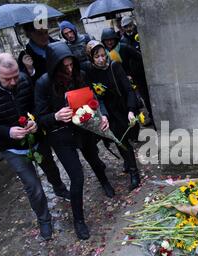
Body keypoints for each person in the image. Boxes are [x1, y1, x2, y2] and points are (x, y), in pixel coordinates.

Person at [34, 42, 116, 240]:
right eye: (65, 67)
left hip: (84, 128)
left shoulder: (81, 75)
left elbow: (93, 97)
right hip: (60, 136)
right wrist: (55, 116)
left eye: (72, 65)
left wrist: (101, 114)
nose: (69, 70)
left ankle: (104, 181)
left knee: (95, 160)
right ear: (55, 66)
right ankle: (78, 220)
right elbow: (40, 118)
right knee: (77, 177)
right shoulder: (43, 83)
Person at [0, 53, 53, 240]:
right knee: (34, 187)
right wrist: (7, 132)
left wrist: (35, 121)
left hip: (36, 138)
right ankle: (44, 219)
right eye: (8, 79)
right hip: (11, 148)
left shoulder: (23, 79)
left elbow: (36, 105)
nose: (14, 82)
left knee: (51, 168)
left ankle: (60, 188)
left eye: (16, 76)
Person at [16, 23, 70, 200]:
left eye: (46, 32)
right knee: (46, 154)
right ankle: (58, 185)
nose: (45, 36)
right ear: (30, 35)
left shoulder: (54, 46)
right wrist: (30, 70)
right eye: (40, 34)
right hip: (41, 109)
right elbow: (23, 86)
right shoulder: (25, 57)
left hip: (61, 99)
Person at [85, 40, 141, 191]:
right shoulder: (90, 72)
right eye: (97, 57)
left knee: (124, 141)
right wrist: (102, 114)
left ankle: (134, 172)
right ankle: (129, 163)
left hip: (122, 108)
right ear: (91, 58)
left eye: (103, 55)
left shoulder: (115, 66)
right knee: (118, 141)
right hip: (108, 113)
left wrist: (131, 109)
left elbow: (128, 90)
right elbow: (96, 97)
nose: (102, 59)